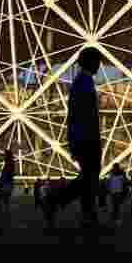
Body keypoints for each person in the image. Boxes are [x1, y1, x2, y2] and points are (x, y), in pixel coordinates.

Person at [43, 47, 103, 229]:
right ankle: (55, 200)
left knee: (89, 177)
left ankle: (87, 216)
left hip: (82, 137)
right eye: (97, 61)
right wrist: (82, 140)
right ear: (90, 62)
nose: (99, 65)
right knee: (89, 177)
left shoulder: (82, 81)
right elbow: (84, 115)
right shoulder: (83, 83)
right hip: (86, 138)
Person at [0, 149, 15, 218]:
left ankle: (0, 214)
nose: (4, 156)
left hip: (6, 184)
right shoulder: (11, 164)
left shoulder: (8, 165)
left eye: (5, 155)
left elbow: (5, 175)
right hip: (8, 184)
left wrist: (0, 182)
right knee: (5, 200)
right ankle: (6, 213)